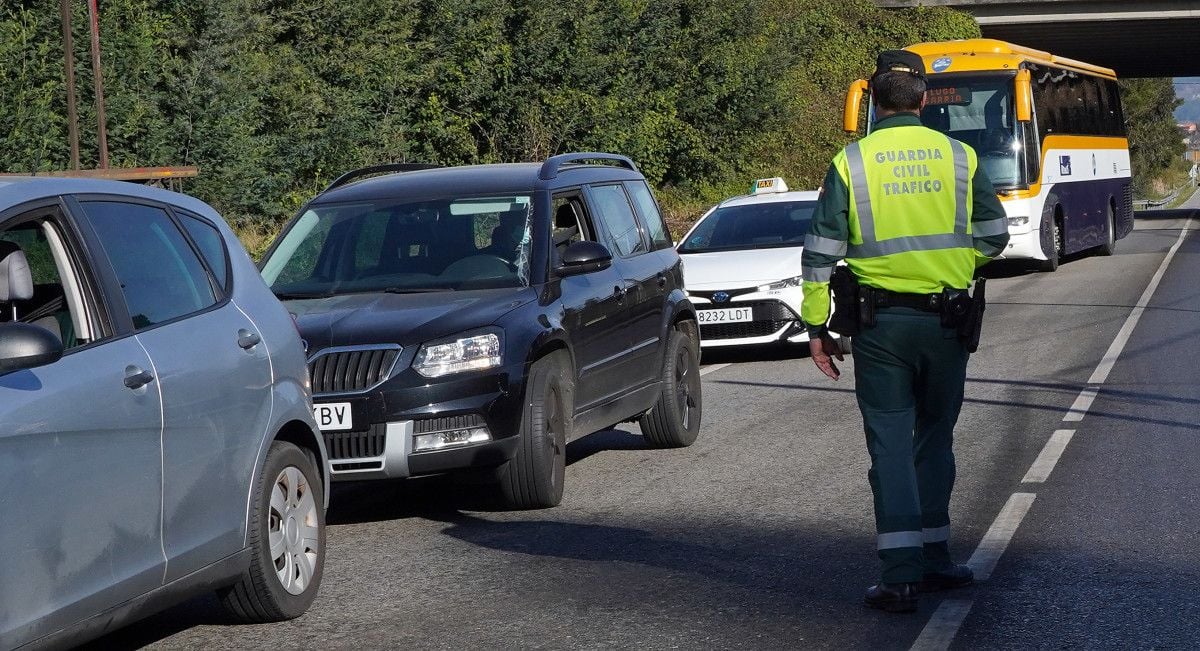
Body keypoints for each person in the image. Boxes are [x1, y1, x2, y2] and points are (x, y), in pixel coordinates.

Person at [799, 50, 1010, 613]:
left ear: (872, 98)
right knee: (935, 438)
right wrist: (955, 268)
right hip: (947, 323)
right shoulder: (961, 158)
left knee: (890, 444)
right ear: (922, 98)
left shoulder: (851, 163)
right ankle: (937, 560)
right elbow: (994, 236)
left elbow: (819, 254)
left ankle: (900, 577)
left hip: (879, 327)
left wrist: (816, 325)